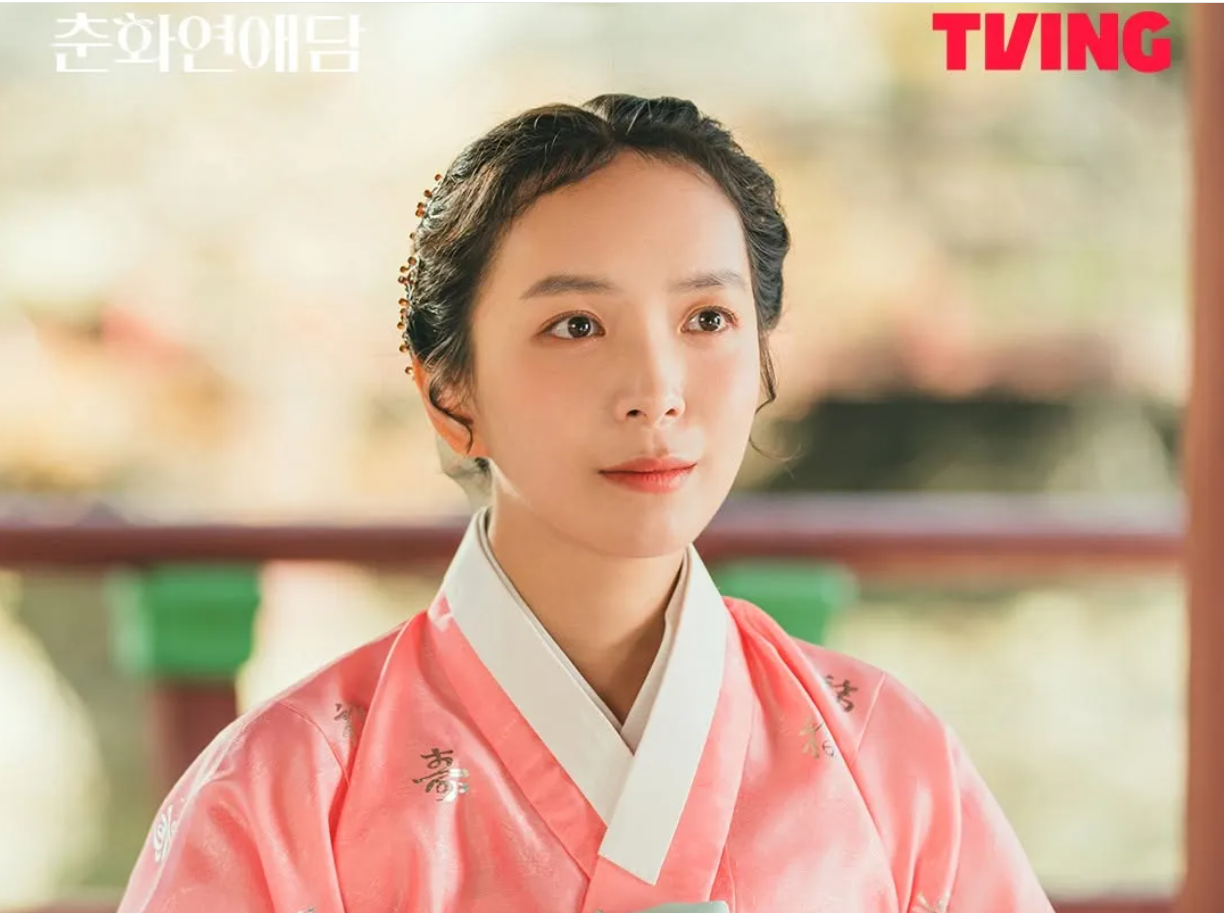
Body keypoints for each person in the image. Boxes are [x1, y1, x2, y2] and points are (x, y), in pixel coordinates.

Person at [117, 94, 1054, 913]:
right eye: (576, 325)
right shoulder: (288, 789)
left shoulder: (885, 753)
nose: (656, 390)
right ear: (449, 391)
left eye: (707, 319)